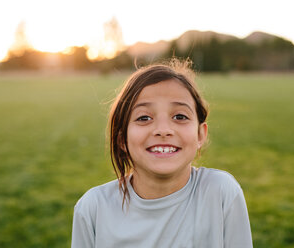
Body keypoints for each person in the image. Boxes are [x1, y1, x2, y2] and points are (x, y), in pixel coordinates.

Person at [71, 59, 253, 248]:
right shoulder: (93, 208)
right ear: (121, 139)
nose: (163, 130)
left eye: (180, 116)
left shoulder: (221, 193)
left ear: (200, 134)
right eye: (144, 118)